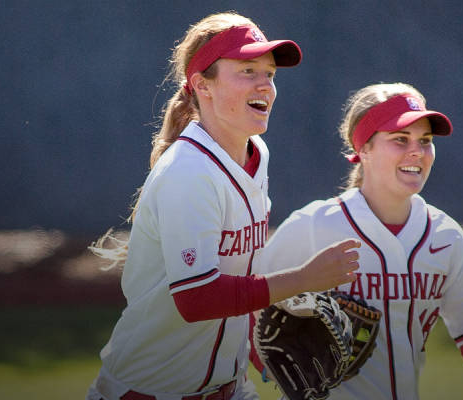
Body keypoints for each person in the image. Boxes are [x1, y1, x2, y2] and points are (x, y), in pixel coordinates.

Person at [86, 12, 360, 400]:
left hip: (229, 389)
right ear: (203, 85)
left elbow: (240, 271)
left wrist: (258, 351)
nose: (265, 84)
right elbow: (197, 299)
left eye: (270, 73)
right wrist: (303, 278)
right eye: (247, 70)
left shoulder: (255, 154)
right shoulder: (188, 171)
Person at [255, 83, 463, 399]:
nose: (417, 151)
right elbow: (249, 300)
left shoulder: (445, 236)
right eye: (400, 140)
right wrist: (270, 366)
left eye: (425, 141)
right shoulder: (315, 226)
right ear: (363, 149)